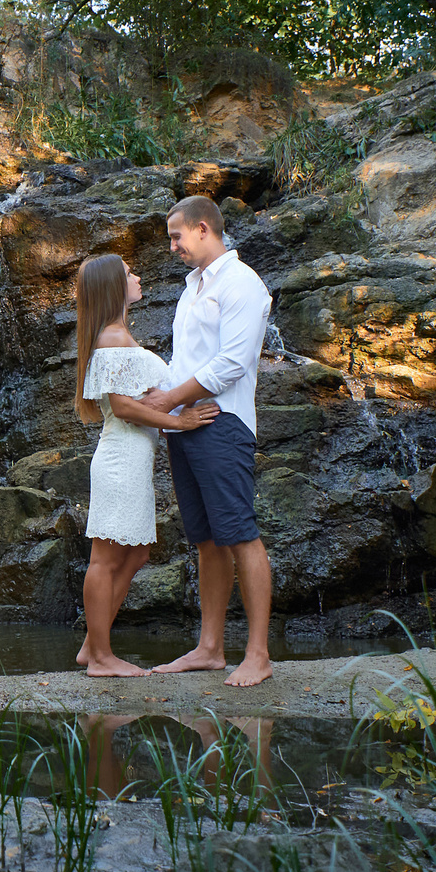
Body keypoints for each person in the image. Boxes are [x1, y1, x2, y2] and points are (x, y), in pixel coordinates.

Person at [138, 195, 277, 687]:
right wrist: (162, 406)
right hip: (188, 423)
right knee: (206, 540)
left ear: (203, 228)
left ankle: (258, 654)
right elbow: (186, 362)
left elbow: (232, 363)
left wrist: (169, 400)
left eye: (176, 236)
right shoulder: (191, 288)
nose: (172, 246)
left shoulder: (242, 282)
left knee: (239, 532)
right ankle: (210, 648)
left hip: (223, 421)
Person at [72, 253, 216, 677]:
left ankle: (91, 645)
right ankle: (101, 658)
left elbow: (139, 399)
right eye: (129, 272)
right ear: (113, 285)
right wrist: (179, 421)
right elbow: (122, 407)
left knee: (136, 554)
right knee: (104, 558)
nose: (137, 277)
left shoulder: (119, 334)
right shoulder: (111, 337)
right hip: (120, 460)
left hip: (134, 460)